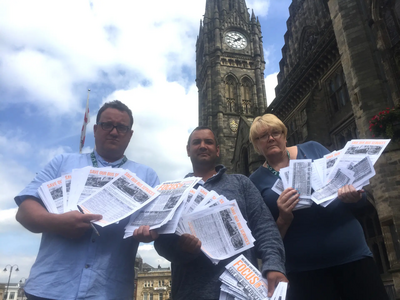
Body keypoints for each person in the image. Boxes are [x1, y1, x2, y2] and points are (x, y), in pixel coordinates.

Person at [15, 100, 160, 300]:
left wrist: (150, 231)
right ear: (95, 129)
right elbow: (24, 212)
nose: (114, 132)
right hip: (50, 289)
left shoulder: (147, 176)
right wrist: (57, 223)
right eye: (107, 125)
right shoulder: (62, 163)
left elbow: (156, 223)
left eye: (122, 127)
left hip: (110, 292)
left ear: (130, 134)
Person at [248, 114, 388, 300]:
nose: (271, 138)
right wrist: (283, 219)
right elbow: (261, 242)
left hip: (353, 257)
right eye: (263, 136)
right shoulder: (255, 182)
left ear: (284, 135)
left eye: (276, 132)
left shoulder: (313, 149)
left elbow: (360, 200)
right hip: (304, 273)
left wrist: (353, 197)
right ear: (256, 145)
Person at [154, 126, 287, 300]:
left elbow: (265, 228)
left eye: (208, 142)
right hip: (189, 293)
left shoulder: (241, 183)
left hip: (241, 292)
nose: (203, 146)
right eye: (196, 142)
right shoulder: (174, 191)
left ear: (217, 150)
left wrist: (274, 265)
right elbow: (161, 243)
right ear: (188, 150)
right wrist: (181, 248)